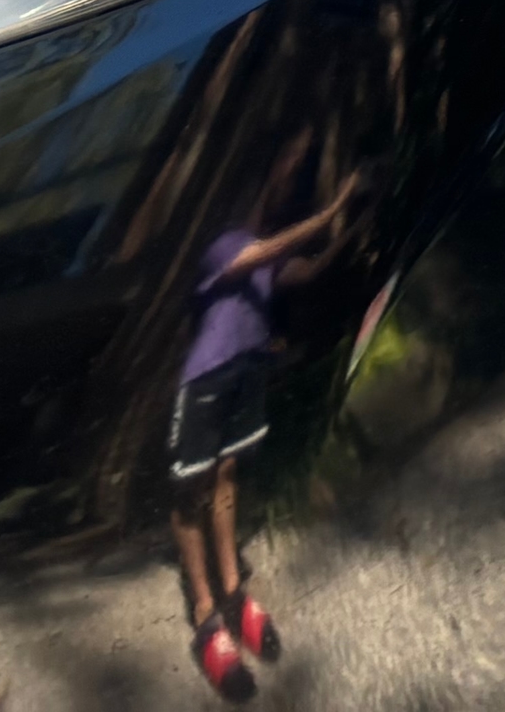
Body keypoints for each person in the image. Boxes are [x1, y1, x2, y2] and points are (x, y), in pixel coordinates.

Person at [166, 149, 350, 701]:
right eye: (278, 180)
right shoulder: (224, 241)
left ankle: (232, 591)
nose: (284, 189)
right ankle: (204, 614)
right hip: (206, 380)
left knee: (226, 478)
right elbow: (266, 251)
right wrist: (332, 207)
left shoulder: (266, 259)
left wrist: (355, 221)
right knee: (189, 491)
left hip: (247, 374)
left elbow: (309, 267)